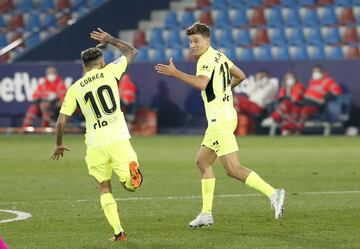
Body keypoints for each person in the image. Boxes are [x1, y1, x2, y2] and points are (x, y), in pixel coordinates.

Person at [155, 23, 286, 227]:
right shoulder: (219, 55)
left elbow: (201, 83)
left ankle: (273, 193)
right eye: (190, 41)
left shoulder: (206, 59)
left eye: (196, 41)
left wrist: (176, 73)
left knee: (233, 169)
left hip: (220, 120)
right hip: (225, 116)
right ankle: (206, 214)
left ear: (207, 40)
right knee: (202, 162)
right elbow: (241, 75)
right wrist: (224, 90)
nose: (193, 45)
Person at [50, 28, 143, 242]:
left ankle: (118, 232)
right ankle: (131, 178)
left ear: (84, 66)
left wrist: (58, 144)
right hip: (119, 138)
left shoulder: (74, 88)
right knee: (130, 186)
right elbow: (132, 52)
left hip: (94, 143)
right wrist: (110, 40)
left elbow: (61, 120)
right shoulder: (110, 71)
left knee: (103, 186)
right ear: (100, 62)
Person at [298, 65, 342, 132]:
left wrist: (325, 98)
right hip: (306, 101)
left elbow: (337, 91)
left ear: (322, 72)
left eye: (318, 71)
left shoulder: (328, 81)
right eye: (314, 72)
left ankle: (298, 129)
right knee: (295, 108)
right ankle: (288, 128)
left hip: (316, 104)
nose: (315, 73)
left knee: (304, 110)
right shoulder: (312, 81)